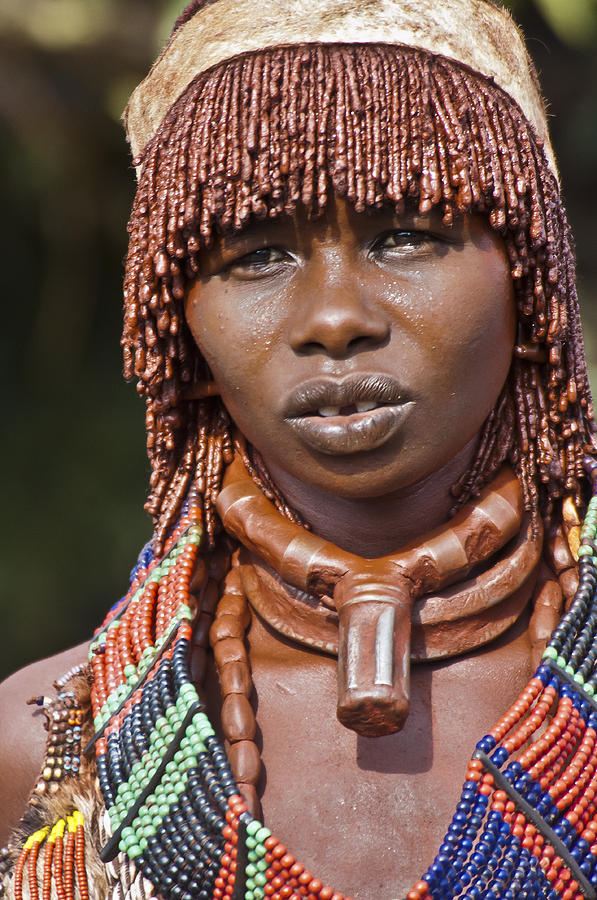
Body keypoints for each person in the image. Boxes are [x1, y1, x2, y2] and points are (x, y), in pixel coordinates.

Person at [1, 0, 597, 898]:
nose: (335, 320)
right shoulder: (39, 751)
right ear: (179, 336)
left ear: (531, 284)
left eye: (408, 236)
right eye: (255, 256)